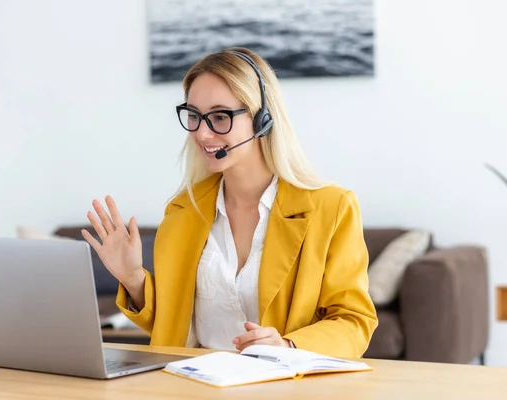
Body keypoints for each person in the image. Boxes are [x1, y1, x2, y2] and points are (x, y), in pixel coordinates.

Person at [82, 47, 378, 358]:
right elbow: (176, 329)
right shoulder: (183, 211)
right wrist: (133, 279)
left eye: (220, 116)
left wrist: (289, 347)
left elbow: (353, 321)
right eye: (194, 116)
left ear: (262, 119)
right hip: (192, 384)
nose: (203, 133)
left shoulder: (331, 207)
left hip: (282, 386)